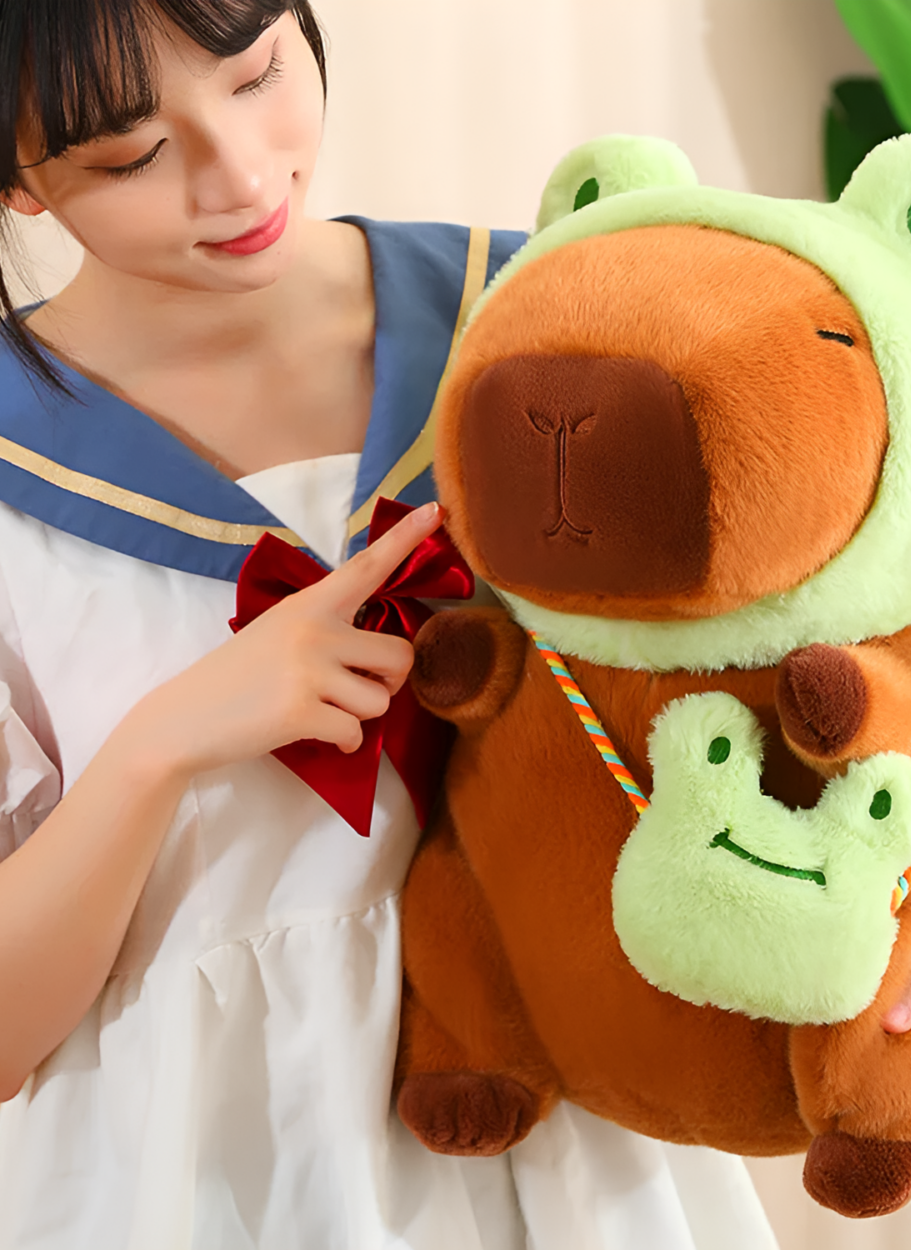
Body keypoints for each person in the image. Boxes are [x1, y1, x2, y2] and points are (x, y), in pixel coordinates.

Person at [0, 1, 779, 1247]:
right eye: (134, 154)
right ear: (19, 179)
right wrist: (160, 743)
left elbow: (868, 609)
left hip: (580, 1165)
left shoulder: (545, 315)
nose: (238, 174)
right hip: (190, 1178)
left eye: (257, 74)